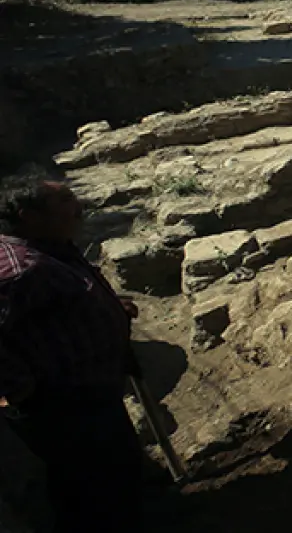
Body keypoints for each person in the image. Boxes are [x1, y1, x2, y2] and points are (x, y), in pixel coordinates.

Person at [0, 171, 144, 533]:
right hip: (65, 405)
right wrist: (19, 387)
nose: (77, 207)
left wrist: (104, 307)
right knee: (90, 488)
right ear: (28, 217)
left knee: (118, 467)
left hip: (94, 389)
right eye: (63, 201)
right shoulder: (21, 271)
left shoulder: (50, 244)